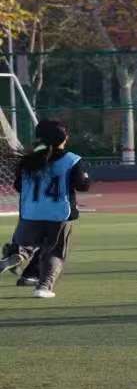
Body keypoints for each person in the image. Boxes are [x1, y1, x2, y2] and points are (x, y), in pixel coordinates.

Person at [0, 120, 91, 298]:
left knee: (28, 242)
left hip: (31, 213)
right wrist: (86, 178)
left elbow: (18, 186)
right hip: (58, 214)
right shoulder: (72, 160)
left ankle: (18, 255)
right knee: (54, 251)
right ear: (63, 138)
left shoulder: (28, 159)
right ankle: (44, 287)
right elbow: (82, 185)